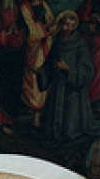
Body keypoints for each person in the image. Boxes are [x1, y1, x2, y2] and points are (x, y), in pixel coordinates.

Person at [38, 9, 95, 141]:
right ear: (60, 25)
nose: (68, 28)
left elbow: (87, 69)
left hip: (73, 89)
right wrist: (42, 71)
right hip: (58, 86)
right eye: (65, 24)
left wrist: (68, 68)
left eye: (71, 25)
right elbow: (50, 62)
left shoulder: (80, 45)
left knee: (70, 120)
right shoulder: (57, 42)